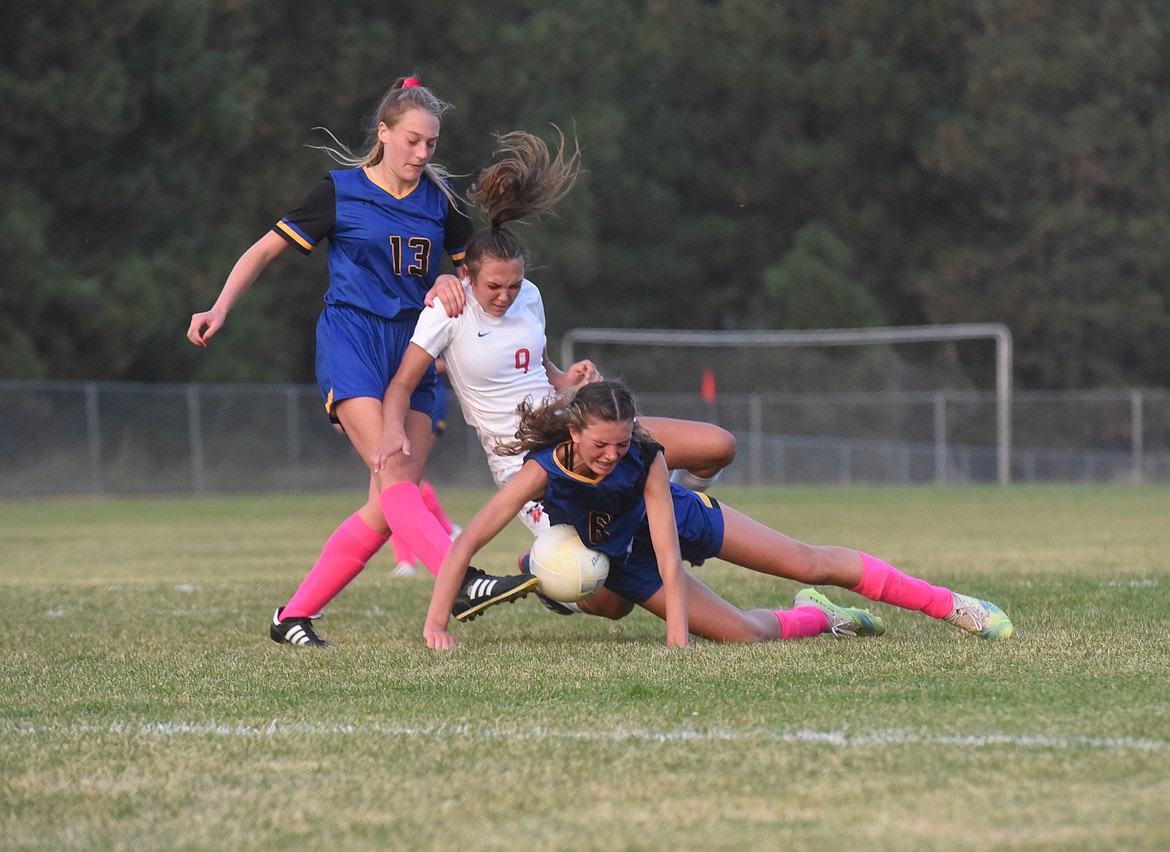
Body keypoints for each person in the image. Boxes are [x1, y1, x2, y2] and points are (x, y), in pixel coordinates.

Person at [186, 76, 535, 647]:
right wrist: (220, 306)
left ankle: (291, 616)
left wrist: (455, 274)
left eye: (432, 145)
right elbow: (265, 247)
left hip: (416, 352)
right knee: (395, 475)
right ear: (384, 133)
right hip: (352, 341)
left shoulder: (439, 202)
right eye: (413, 141)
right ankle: (462, 578)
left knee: (386, 507)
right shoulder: (340, 191)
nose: (423, 154)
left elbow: (481, 273)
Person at [372, 129, 736, 617]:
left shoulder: (531, 297)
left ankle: (665, 509)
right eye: (494, 286)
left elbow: (535, 363)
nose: (505, 295)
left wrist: (565, 380)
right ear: (467, 277)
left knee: (718, 447)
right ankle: (542, 569)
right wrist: (393, 430)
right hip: (525, 459)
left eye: (514, 283)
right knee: (608, 602)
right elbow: (401, 383)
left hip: (576, 428)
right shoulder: (447, 310)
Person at [422, 380, 1015, 650]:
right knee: (747, 633)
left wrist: (677, 637)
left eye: (621, 444)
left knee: (809, 561)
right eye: (600, 444)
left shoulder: (644, 458)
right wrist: (435, 624)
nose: (611, 455)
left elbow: (668, 545)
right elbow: (468, 538)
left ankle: (952, 605)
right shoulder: (542, 471)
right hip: (626, 567)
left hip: (677, 523)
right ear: (573, 432)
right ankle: (821, 619)